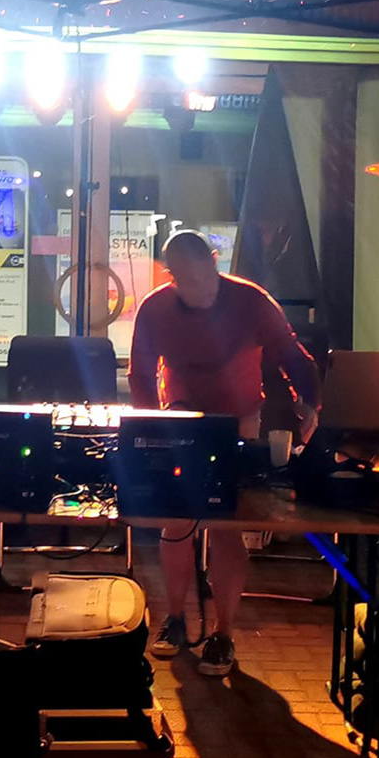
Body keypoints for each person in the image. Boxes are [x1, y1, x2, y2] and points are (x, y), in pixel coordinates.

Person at [128, 229, 322, 677]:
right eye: (183, 280)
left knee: (225, 525)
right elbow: (140, 373)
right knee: (177, 522)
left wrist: (309, 401)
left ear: (214, 261)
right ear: (170, 275)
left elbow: (293, 355)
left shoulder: (251, 301)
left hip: (239, 422)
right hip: (180, 423)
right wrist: (151, 426)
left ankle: (224, 632)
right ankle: (175, 619)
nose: (194, 289)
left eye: (200, 277)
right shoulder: (155, 308)